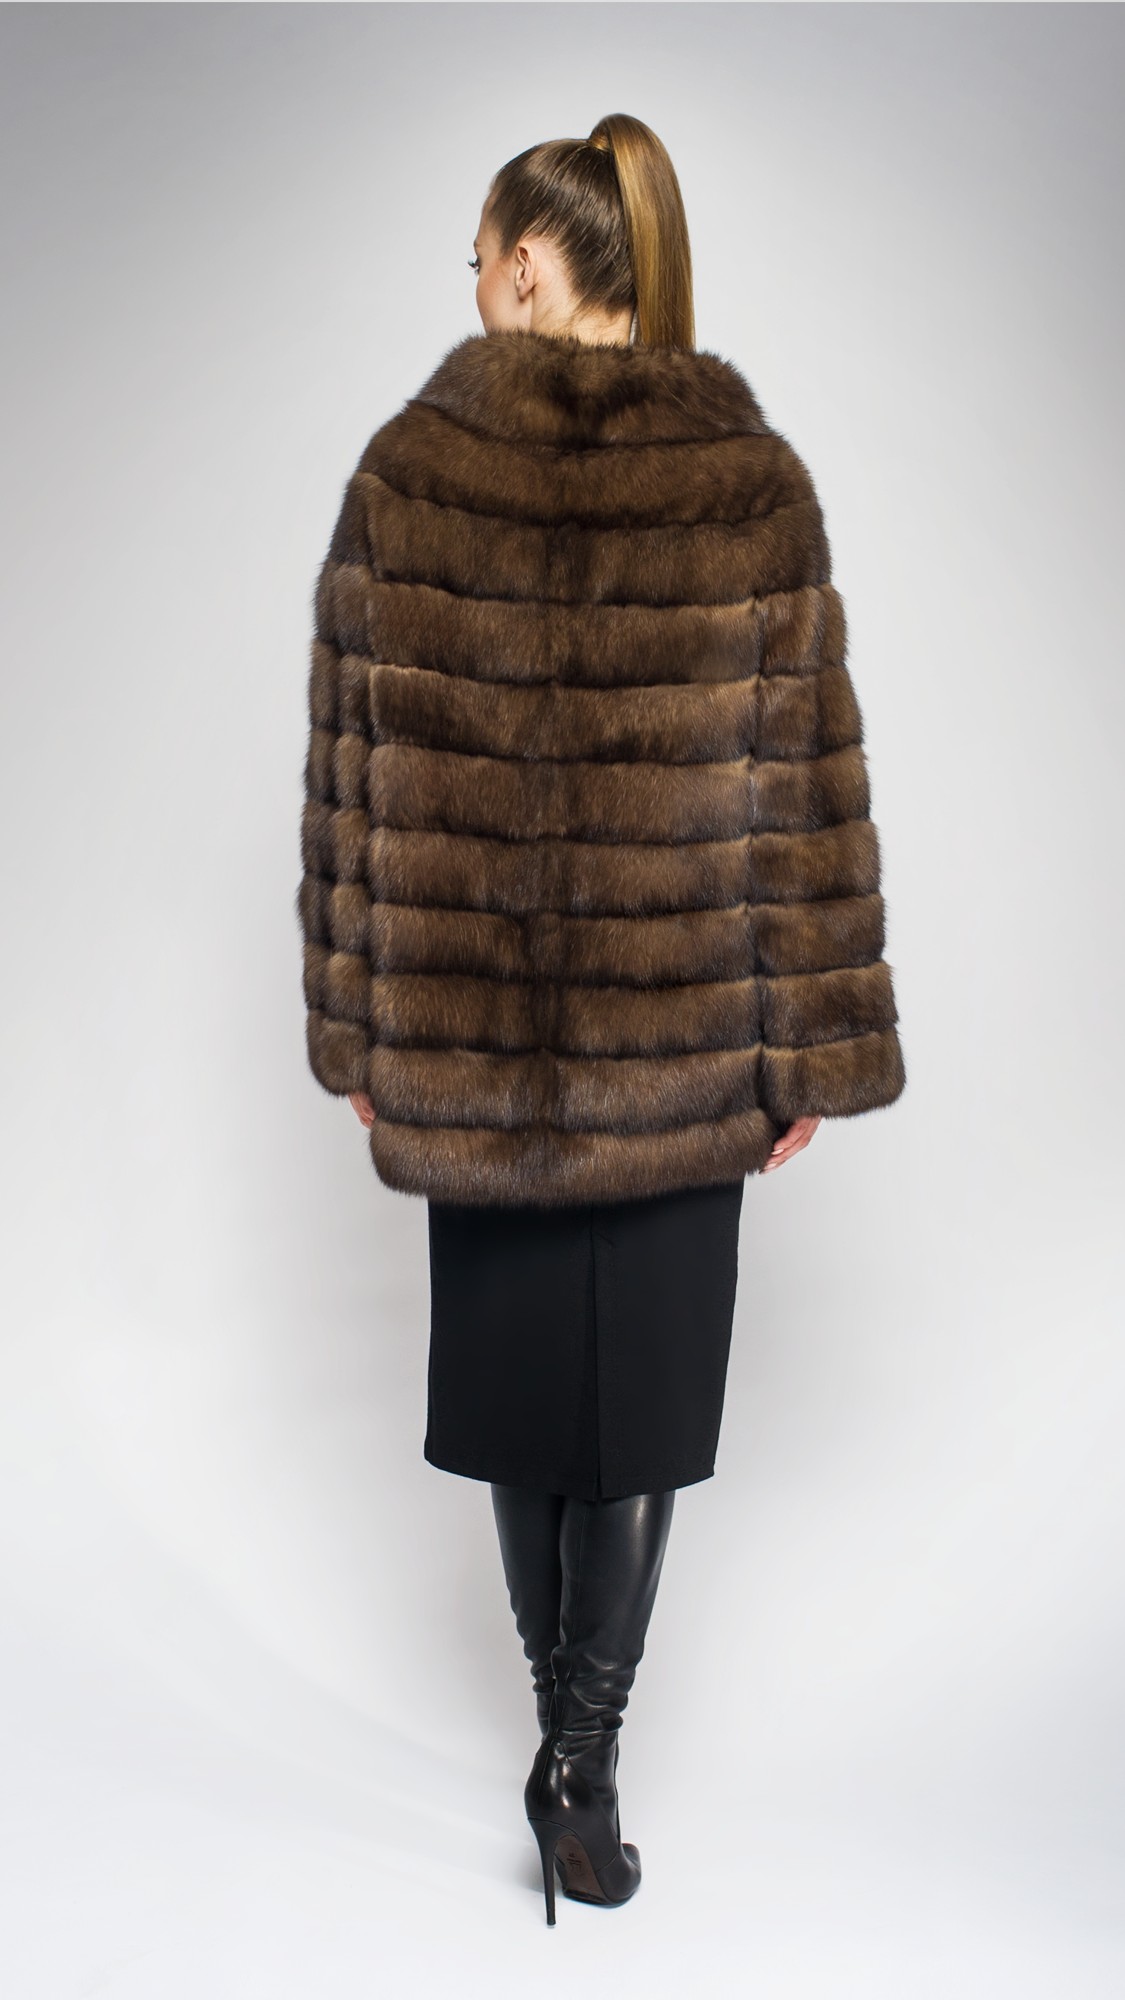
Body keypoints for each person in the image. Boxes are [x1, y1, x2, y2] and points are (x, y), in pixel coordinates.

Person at [297, 113, 906, 1924]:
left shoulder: (410, 470)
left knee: (535, 1410)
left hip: (482, 1044)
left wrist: (360, 1023)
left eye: (478, 256)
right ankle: (581, 1755)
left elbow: (343, 768)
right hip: (682, 1043)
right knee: (621, 1417)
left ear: (529, 262)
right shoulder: (750, 482)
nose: (470, 286)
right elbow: (806, 784)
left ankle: (568, 1743)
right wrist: (805, 1043)